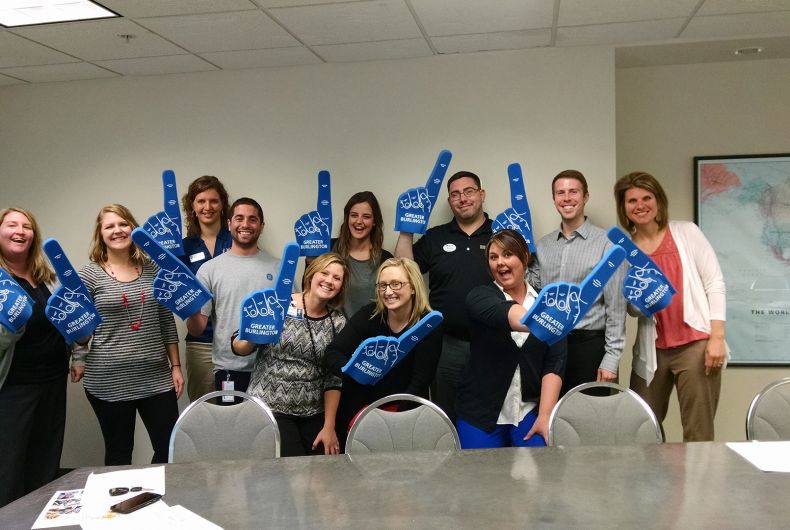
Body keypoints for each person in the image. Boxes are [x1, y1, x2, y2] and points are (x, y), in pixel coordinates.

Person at [614, 172, 726, 441]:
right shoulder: (624, 249)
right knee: (641, 429)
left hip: (695, 345)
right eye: (632, 201)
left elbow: (715, 283)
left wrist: (717, 337)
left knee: (698, 431)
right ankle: (657, 484)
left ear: (658, 201)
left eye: (646, 198)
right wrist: (645, 300)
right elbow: (628, 307)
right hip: (652, 350)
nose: (640, 205)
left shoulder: (686, 232)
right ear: (624, 208)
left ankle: (698, 484)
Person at [74, 204, 183, 465]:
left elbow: (165, 318)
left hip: (155, 376)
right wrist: (78, 356)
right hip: (108, 381)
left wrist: (176, 366)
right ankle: (119, 506)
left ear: (133, 228)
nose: (117, 230)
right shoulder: (88, 275)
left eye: (123, 224)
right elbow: (78, 328)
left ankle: (159, 501)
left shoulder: (154, 270)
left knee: (169, 448)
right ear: (100, 234)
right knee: (119, 453)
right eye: (109, 226)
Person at [395, 171, 492, 423]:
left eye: (469, 191)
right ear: (449, 201)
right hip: (446, 344)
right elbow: (404, 271)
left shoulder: (501, 233)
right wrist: (406, 228)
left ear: (481, 195)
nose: (463, 198)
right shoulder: (436, 237)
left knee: (489, 414)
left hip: (494, 340)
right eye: (455, 194)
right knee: (444, 415)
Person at [456, 230, 566, 449]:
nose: (500, 263)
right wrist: (557, 319)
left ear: (525, 257)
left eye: (507, 254)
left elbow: (555, 364)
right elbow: (512, 316)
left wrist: (544, 417)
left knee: (538, 474)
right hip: (480, 415)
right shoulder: (479, 297)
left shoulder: (548, 302)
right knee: (476, 479)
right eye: (493, 257)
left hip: (528, 412)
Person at [232, 253, 349, 457]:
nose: (329, 281)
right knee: (292, 473)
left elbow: (334, 379)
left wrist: (329, 427)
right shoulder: (278, 304)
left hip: (313, 412)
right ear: (311, 275)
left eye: (337, 278)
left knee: (325, 469)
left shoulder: (338, 322)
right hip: (269, 407)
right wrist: (257, 332)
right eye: (325, 273)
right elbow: (239, 347)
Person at [323, 257, 443, 449]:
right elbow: (332, 353)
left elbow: (421, 380)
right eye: (382, 285)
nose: (388, 292)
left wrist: (390, 420)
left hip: (405, 412)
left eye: (396, 284)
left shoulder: (428, 324)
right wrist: (357, 373)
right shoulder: (369, 314)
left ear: (413, 287)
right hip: (359, 409)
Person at [0, 208, 75, 507]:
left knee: (45, 462)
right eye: (11, 225)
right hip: (14, 387)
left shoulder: (46, 277)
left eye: (27, 226)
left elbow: (64, 323)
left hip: (53, 381)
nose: (20, 231)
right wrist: (12, 325)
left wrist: (79, 346)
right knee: (10, 466)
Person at [530, 169, 625, 396]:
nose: (567, 198)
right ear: (554, 199)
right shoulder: (543, 246)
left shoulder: (607, 244)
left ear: (585, 196)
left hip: (589, 348)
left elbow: (616, 308)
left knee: (588, 419)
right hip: (549, 345)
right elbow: (532, 293)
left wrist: (611, 358)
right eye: (560, 193)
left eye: (573, 191)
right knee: (549, 417)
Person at [186, 197, 279, 396]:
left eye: (252, 219)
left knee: (266, 427)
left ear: (261, 226)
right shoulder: (209, 269)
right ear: (229, 224)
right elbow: (196, 329)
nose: (245, 224)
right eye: (239, 218)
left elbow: (292, 321)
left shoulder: (279, 268)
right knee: (231, 424)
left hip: (272, 368)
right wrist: (188, 307)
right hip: (229, 368)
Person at [179, 175, 232, 401]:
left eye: (213, 201)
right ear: (192, 206)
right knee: (203, 409)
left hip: (234, 342)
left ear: (222, 205)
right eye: (201, 201)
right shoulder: (183, 247)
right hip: (201, 343)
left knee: (236, 406)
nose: (207, 207)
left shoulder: (236, 241)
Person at [328, 192, 392, 317]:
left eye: (366, 216)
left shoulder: (386, 260)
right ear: (347, 218)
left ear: (374, 222)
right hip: (330, 330)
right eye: (354, 215)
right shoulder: (329, 247)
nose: (359, 221)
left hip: (368, 332)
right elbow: (309, 289)